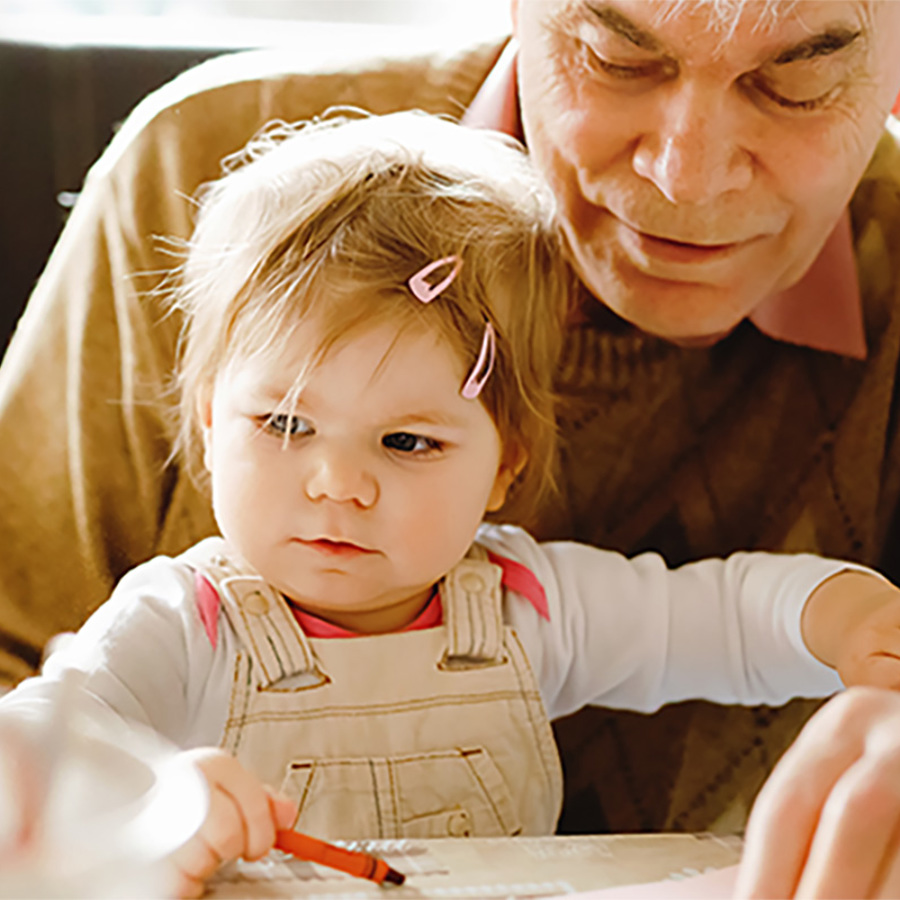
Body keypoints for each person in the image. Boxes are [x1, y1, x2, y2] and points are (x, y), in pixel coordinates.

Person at [2, 0, 900, 894]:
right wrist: (145, 804)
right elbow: (33, 739)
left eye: (797, 81)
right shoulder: (182, 620)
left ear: (507, 460)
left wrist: (852, 618)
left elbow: (712, 617)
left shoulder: (517, 605)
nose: (687, 177)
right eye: (615, 58)